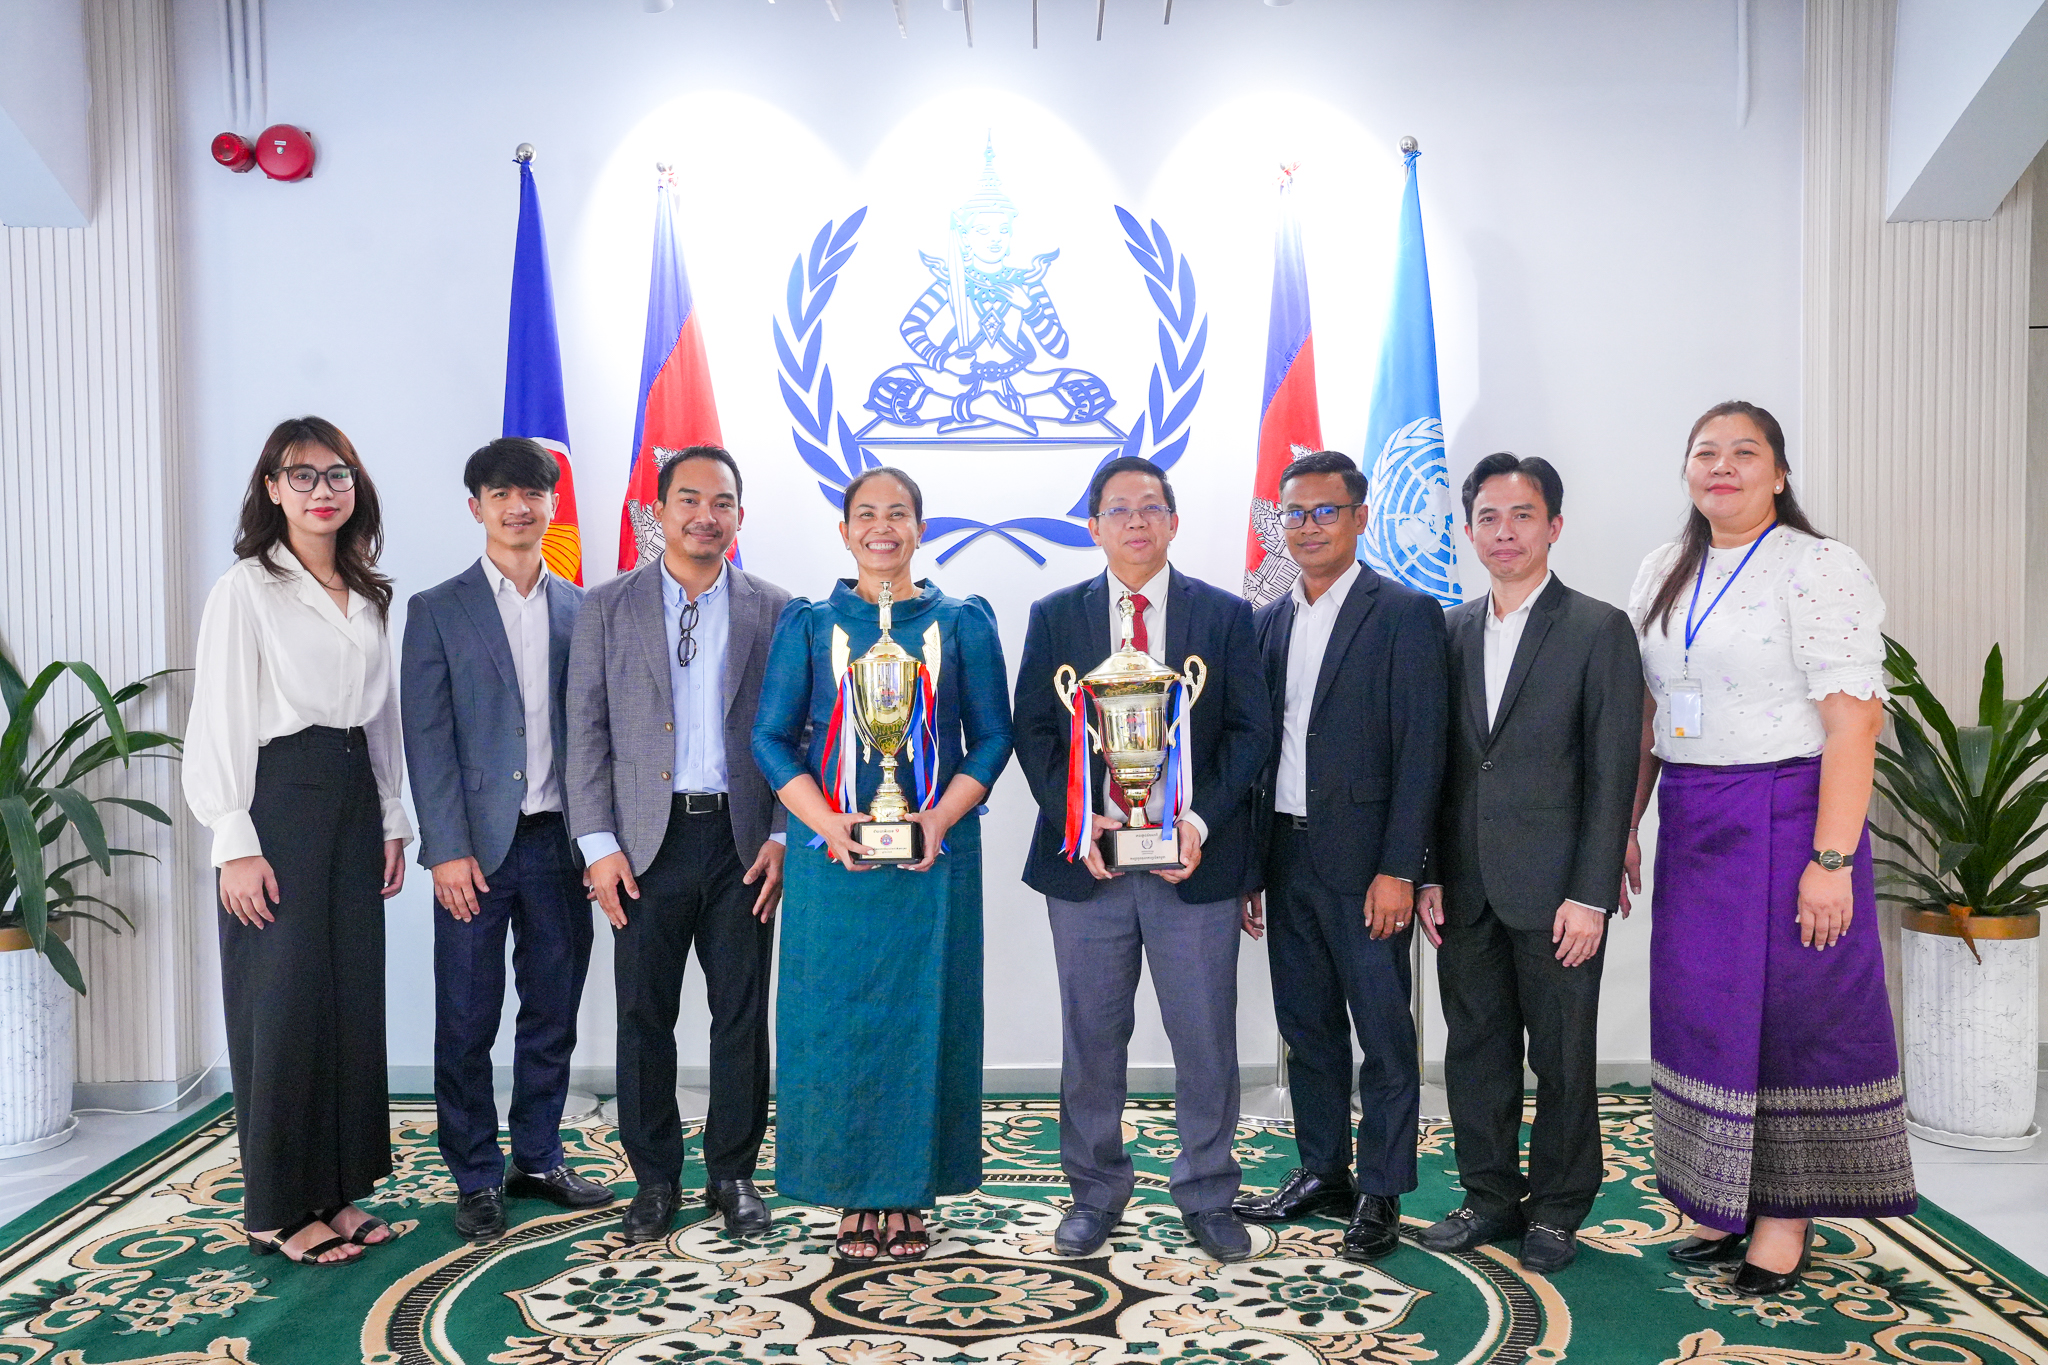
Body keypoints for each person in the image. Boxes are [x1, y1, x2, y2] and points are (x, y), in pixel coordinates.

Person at [1625, 400, 1915, 1297]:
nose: (1723, 466)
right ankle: (1730, 1198)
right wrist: (1625, 827)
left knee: (1793, 1017)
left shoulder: (1817, 565)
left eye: (1744, 453)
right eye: (1705, 452)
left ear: (1779, 473)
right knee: (1708, 1011)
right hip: (1696, 818)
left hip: (1792, 816)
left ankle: (1785, 1219)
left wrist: (1832, 863)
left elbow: (1854, 720)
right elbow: (1647, 713)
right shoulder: (1664, 567)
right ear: (1685, 471)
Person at [1013, 455, 1273, 1264]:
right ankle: (1095, 1192)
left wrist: (1195, 820)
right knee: (1092, 1036)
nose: (1135, 521)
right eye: (1118, 509)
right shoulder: (1057, 615)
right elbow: (1035, 730)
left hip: (1192, 865)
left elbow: (1250, 734)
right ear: (1093, 525)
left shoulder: (1225, 616)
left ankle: (1207, 1190)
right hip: (1087, 869)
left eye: (1151, 507)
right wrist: (1081, 817)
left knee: (1205, 1037)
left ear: (1173, 521)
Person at [753, 467, 1013, 1264]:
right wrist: (828, 821)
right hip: (834, 864)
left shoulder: (963, 622)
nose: (882, 527)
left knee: (922, 1019)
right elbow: (771, 737)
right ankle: (851, 1190)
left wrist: (936, 816)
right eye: (866, 514)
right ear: (844, 531)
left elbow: (993, 737)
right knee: (837, 1024)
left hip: (934, 857)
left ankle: (907, 1191)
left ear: (921, 528)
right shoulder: (808, 624)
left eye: (898, 513)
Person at [184, 416, 411, 1266]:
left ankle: (336, 1187)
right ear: (272, 487)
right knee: (279, 1003)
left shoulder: (369, 591)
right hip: (277, 799)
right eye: (303, 474)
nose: (323, 489)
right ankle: (276, 1207)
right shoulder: (245, 588)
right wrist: (233, 837)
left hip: (355, 797)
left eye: (338, 474)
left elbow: (380, 721)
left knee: (346, 997)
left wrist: (393, 817)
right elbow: (219, 720)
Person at [1409, 453, 1640, 1275]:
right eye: (1488, 518)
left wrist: (1591, 891)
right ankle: (1490, 1193)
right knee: (1475, 1047)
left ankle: (1560, 1206)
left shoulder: (1597, 627)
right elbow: (1433, 766)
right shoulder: (1447, 629)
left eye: (1522, 516)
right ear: (1468, 530)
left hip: (1558, 892)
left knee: (1564, 1054)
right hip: (1465, 887)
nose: (1504, 532)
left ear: (1554, 526)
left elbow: (1614, 769)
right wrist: (1430, 869)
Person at [565, 446, 791, 1243]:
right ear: (656, 513)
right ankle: (654, 1178)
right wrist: (597, 845)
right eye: (688, 499)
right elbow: (584, 732)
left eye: (722, 501)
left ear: (739, 514)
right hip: (641, 846)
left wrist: (781, 833)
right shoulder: (605, 607)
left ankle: (732, 1173)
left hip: (742, 844)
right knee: (643, 1016)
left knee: (740, 1015)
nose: (705, 514)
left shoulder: (776, 608)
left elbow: (800, 734)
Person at [1229, 451, 1447, 1264]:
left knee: (1384, 1033)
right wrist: (1250, 866)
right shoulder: (1268, 618)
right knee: (1306, 1026)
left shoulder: (1404, 613)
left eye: (1325, 511)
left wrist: (1402, 866)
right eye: (1294, 513)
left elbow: (1422, 751)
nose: (1308, 526)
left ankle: (1383, 1190)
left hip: (1368, 868)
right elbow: (1262, 751)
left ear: (1360, 515)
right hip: (1284, 854)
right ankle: (1324, 1168)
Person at [400, 438, 612, 1243]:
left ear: (552, 503)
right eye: (501, 494)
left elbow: (596, 735)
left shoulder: (583, 609)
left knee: (552, 1010)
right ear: (476, 507)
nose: (518, 507)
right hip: (474, 851)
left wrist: (601, 845)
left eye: (532, 493)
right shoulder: (436, 608)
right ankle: (476, 1173)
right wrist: (444, 848)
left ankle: (539, 1153)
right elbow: (427, 737)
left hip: (560, 844)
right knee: (466, 1017)